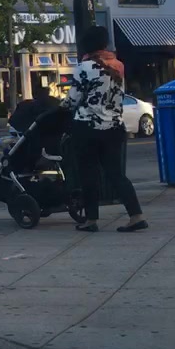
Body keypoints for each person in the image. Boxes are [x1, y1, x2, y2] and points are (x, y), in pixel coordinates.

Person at [62, 25, 146, 233]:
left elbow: (72, 100)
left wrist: (60, 109)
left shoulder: (85, 67)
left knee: (88, 173)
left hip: (87, 127)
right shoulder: (118, 65)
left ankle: (91, 219)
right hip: (114, 127)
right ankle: (136, 215)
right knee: (116, 174)